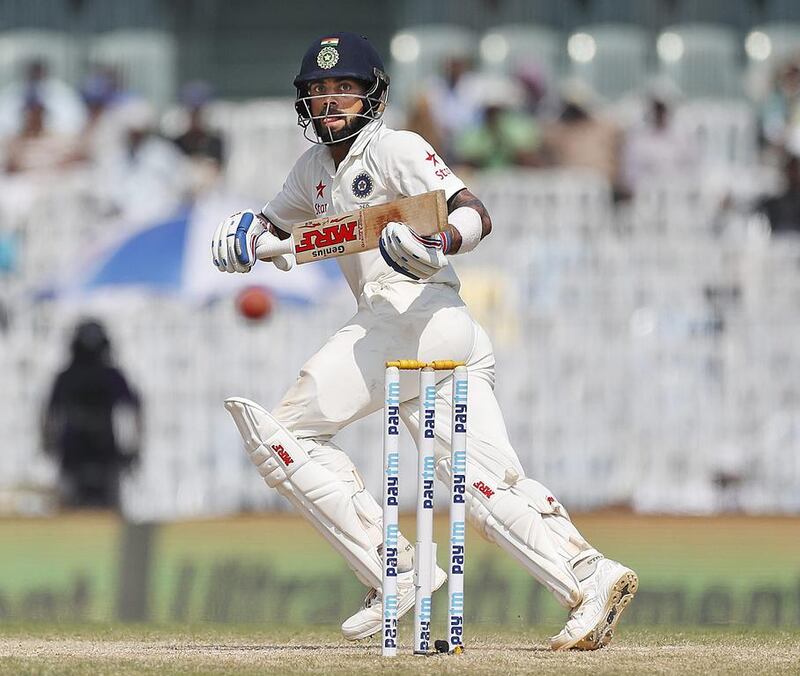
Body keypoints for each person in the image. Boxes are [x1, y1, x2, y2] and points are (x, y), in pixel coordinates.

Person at [211, 32, 638, 650]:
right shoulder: (311, 170)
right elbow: (278, 228)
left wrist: (438, 243)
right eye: (320, 92)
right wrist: (245, 237)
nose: (331, 102)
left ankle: (397, 569)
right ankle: (589, 576)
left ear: (372, 97)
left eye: (345, 90)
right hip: (431, 335)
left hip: (416, 313)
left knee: (287, 435)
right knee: (486, 488)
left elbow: (474, 212)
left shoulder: (397, 149)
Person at [41, 319, 142, 510]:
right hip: (77, 456)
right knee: (74, 507)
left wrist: (134, 447)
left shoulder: (108, 376)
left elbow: (134, 409)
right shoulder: (69, 377)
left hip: (102, 456)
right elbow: (49, 414)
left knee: (103, 510)